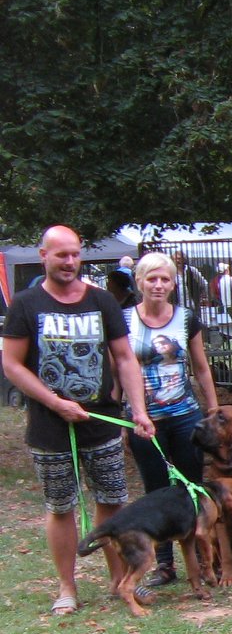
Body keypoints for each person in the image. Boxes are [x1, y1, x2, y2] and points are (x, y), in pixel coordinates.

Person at [1, 226, 155, 614]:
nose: (69, 262)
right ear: (43, 256)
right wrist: (54, 402)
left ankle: (120, 583)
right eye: (61, 255)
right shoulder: (26, 303)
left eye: (74, 254)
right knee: (60, 506)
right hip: (50, 426)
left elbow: (124, 359)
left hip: (102, 420)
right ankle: (67, 589)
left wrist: (138, 410)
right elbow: (11, 364)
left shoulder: (101, 301)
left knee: (113, 502)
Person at [123, 252, 219, 587]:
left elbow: (202, 367)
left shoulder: (186, 318)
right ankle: (164, 564)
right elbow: (119, 367)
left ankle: (204, 563)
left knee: (191, 489)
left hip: (185, 415)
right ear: (140, 282)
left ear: (174, 283)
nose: (159, 285)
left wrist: (213, 409)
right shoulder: (124, 321)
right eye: (152, 278)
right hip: (145, 420)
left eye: (165, 279)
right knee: (156, 492)